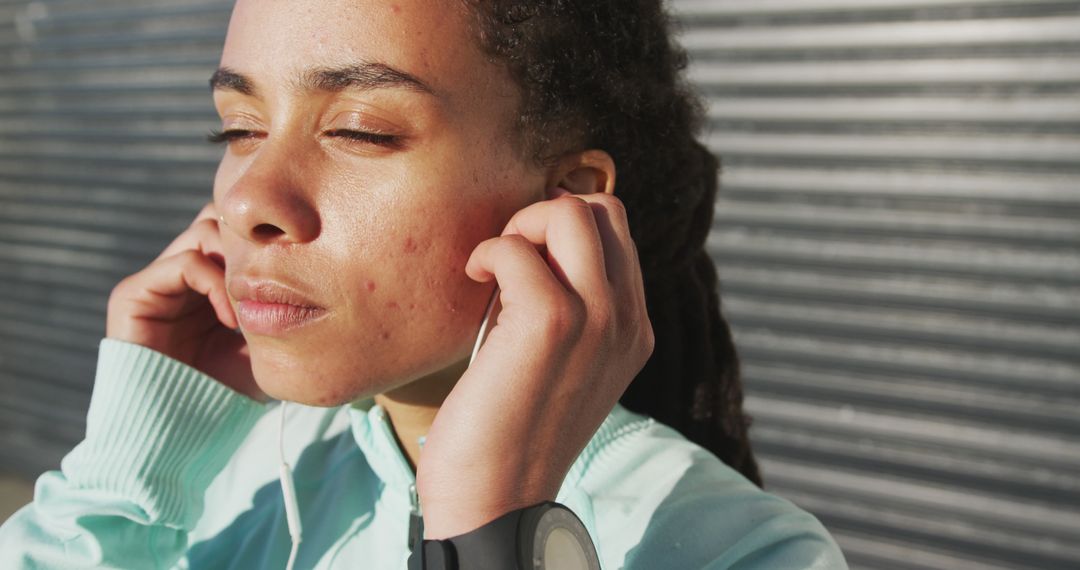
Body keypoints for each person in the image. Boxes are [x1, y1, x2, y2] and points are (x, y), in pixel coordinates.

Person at [0, 0, 848, 568]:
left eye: (361, 132)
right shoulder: (229, 472)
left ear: (570, 202)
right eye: (240, 126)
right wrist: (126, 480)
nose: (250, 198)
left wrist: (496, 530)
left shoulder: (742, 553)